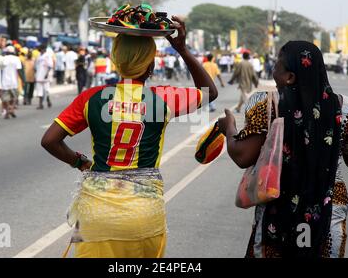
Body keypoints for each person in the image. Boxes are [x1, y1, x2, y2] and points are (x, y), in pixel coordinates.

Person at [41, 16, 218, 258]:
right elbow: (209, 92)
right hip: (144, 214)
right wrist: (182, 49)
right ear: (151, 66)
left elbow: (49, 140)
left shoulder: (92, 98)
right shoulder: (163, 99)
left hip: (97, 215)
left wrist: (80, 162)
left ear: (115, 60)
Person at [218, 41, 348, 258]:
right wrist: (345, 128)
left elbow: (243, 156)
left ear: (289, 77)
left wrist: (229, 127)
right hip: (328, 211)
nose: (272, 70)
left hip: (277, 208)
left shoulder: (267, 105)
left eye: (276, 66)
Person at [1, 46, 24, 119]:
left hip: (4, 81)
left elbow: (0, 70)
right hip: (14, 81)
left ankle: (8, 109)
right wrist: (22, 79)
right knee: (14, 97)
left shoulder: (3, 59)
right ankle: (11, 109)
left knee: (6, 98)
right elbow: (19, 70)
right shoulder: (16, 59)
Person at [35, 44, 53, 110]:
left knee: (46, 90)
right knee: (39, 90)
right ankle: (40, 104)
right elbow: (36, 66)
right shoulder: (38, 56)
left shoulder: (47, 56)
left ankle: (48, 100)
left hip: (45, 76)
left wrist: (47, 74)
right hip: (39, 75)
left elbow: (50, 66)